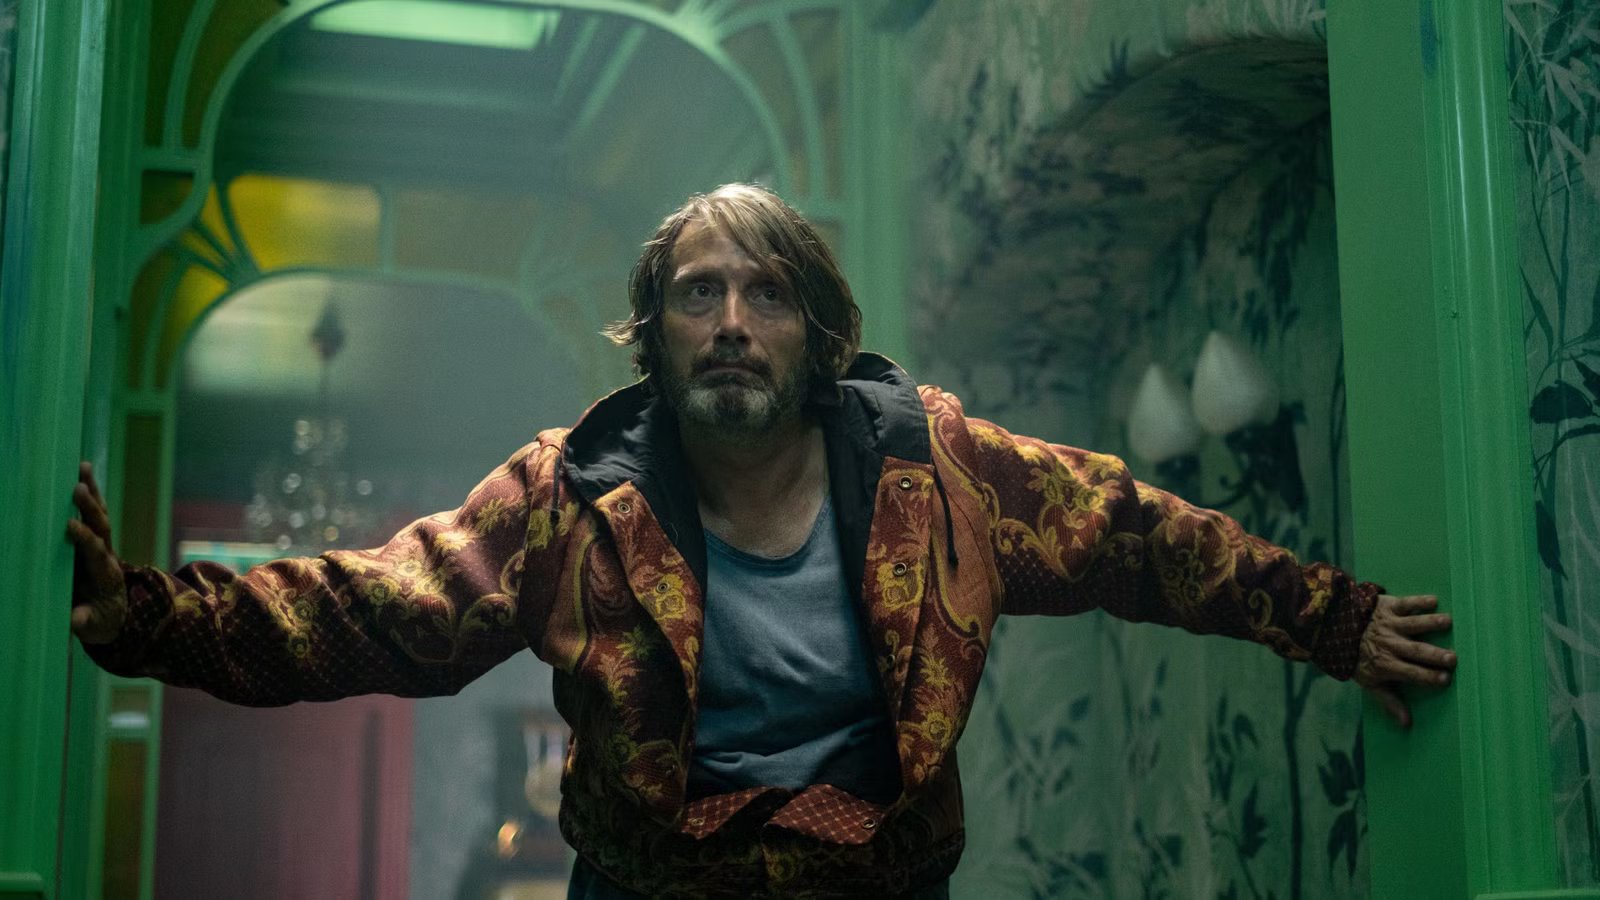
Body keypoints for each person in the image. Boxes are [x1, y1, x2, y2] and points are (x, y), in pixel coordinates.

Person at [66, 183, 1456, 899]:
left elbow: (1139, 534)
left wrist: (1339, 623)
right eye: (696, 294)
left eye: (766, 294)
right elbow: (377, 607)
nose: (730, 321)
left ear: (820, 332)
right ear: (655, 335)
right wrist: (143, 617)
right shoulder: (572, 497)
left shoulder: (937, 470)